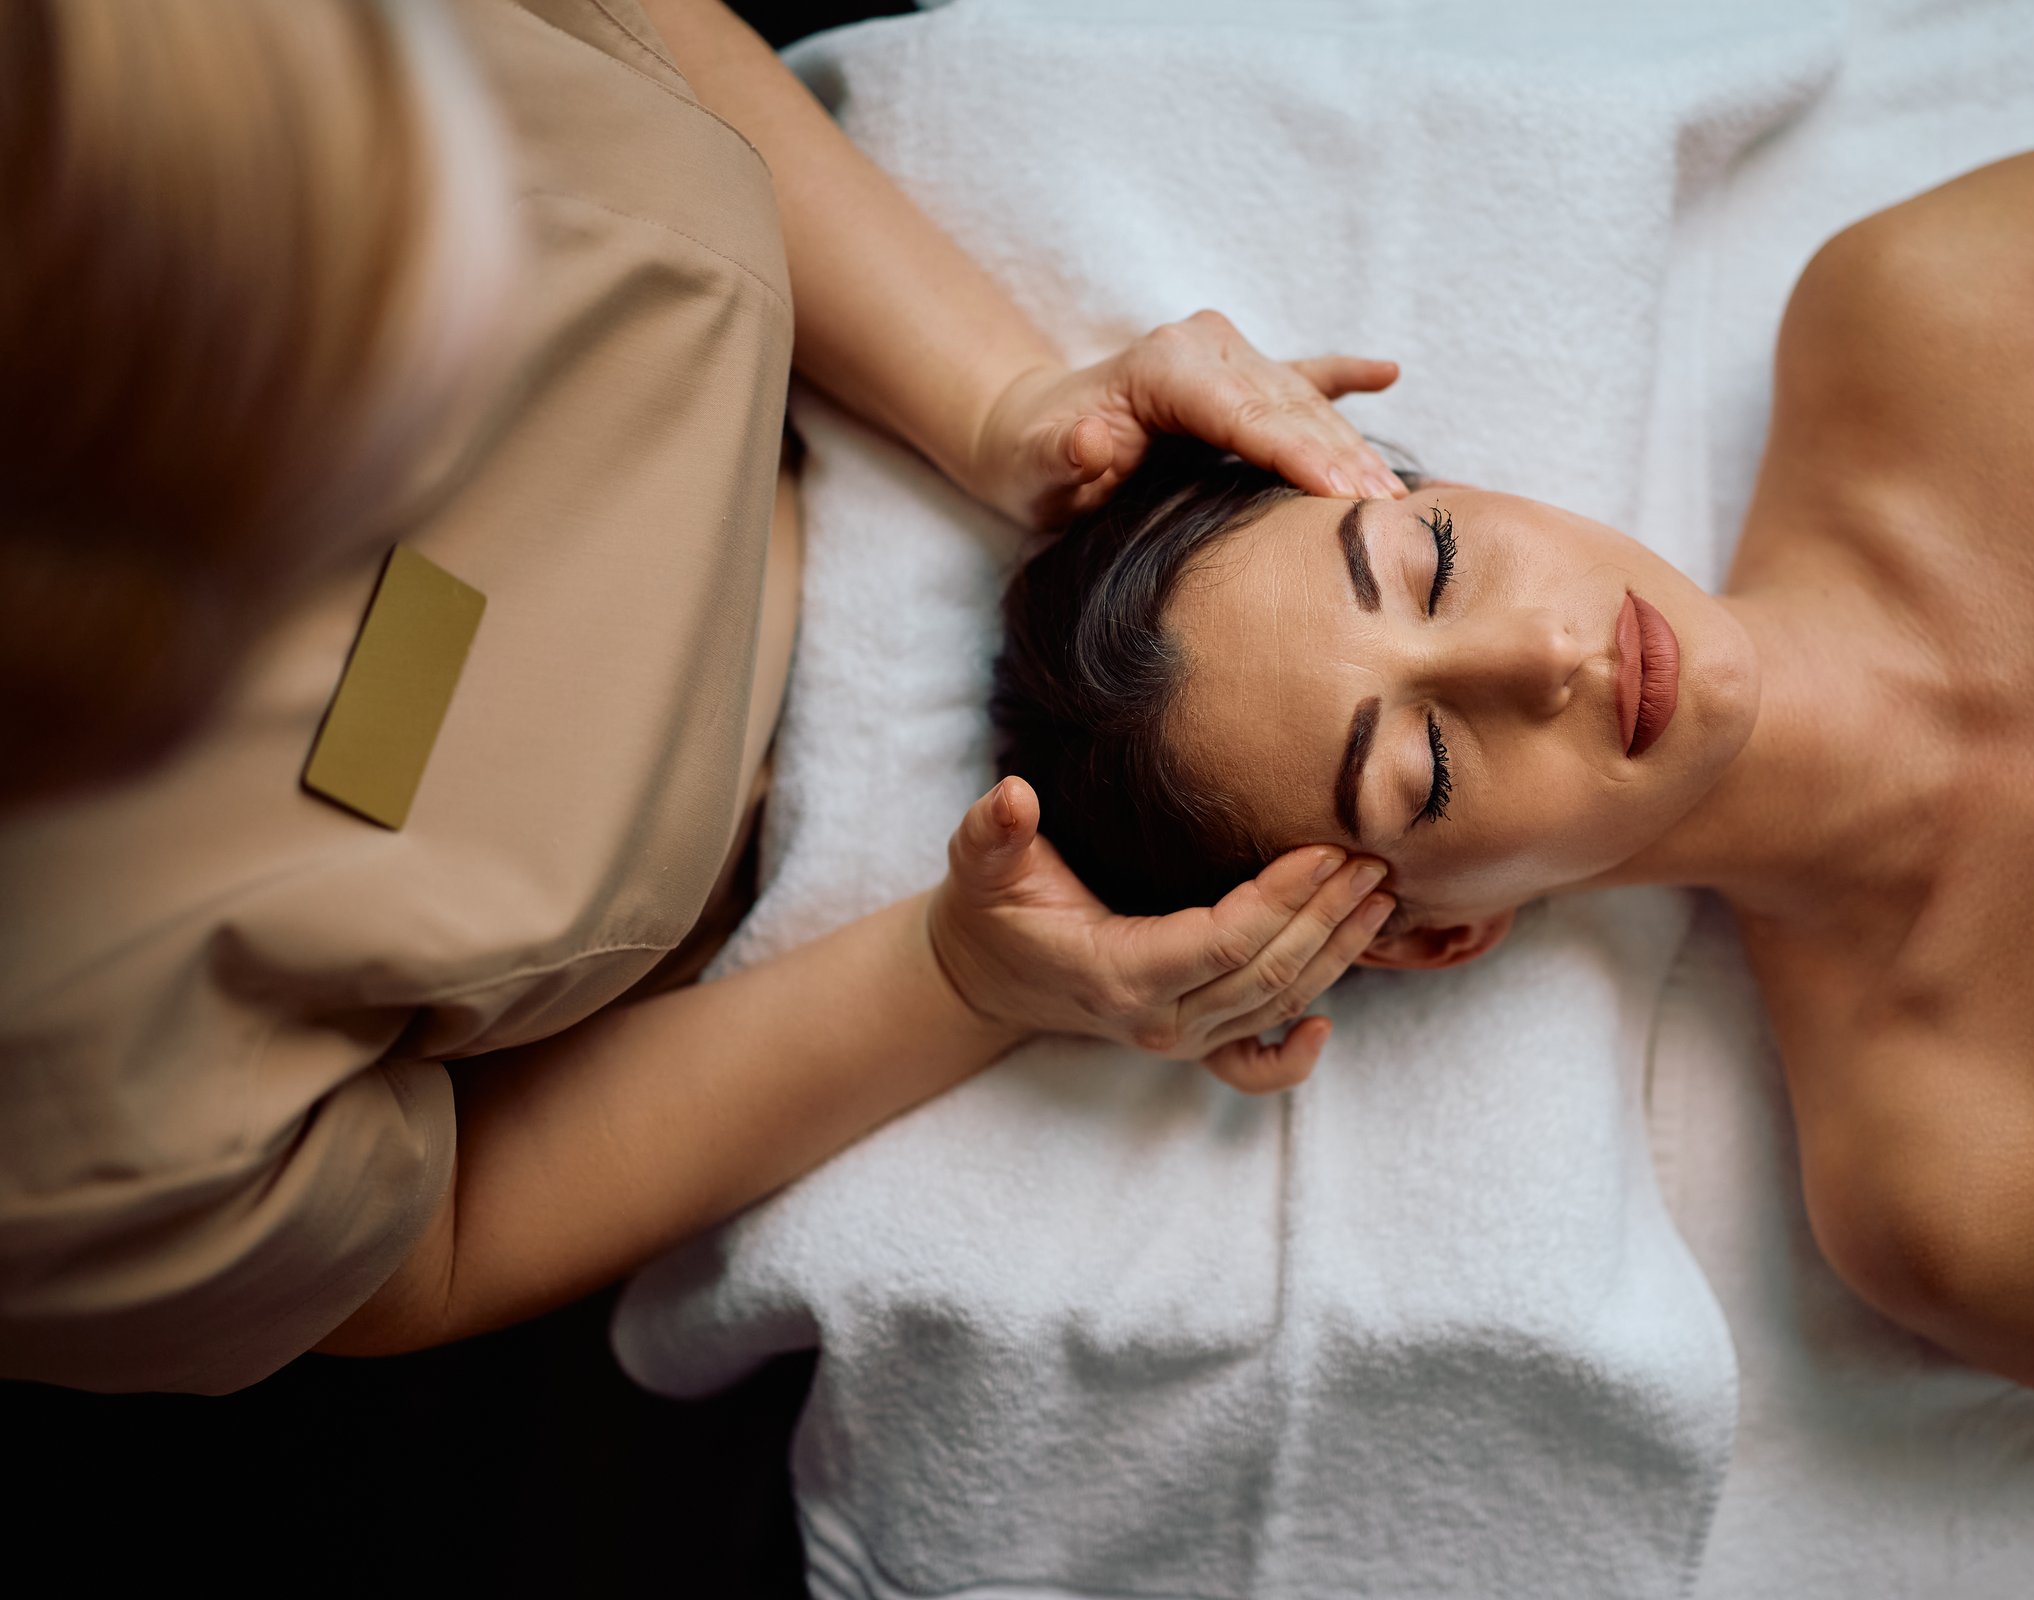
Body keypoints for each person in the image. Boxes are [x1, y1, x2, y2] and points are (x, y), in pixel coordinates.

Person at [993, 51, 2034, 1450]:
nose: (1537, 658)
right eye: (1424, 769)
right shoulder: (1965, 1191)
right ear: (1431, 933)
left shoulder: (1935, 306)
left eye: (1434, 564)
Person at [0, 0, 1403, 1393]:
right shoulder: (76, 1097)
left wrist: (1005, 399)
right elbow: (416, 1253)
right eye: (1415, 763)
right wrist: (959, 981)